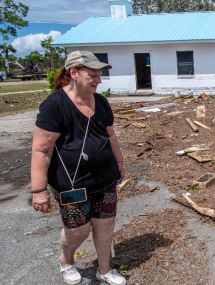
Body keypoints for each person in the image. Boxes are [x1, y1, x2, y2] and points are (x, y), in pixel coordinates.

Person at [30, 51, 126, 285]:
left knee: (105, 226)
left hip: (104, 179)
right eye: (92, 74)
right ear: (73, 73)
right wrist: (39, 190)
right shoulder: (55, 105)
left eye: (100, 75)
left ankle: (104, 270)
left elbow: (110, 135)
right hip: (72, 184)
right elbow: (41, 150)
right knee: (78, 230)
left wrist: (120, 164)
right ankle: (66, 261)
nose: (99, 80)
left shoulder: (101, 101)